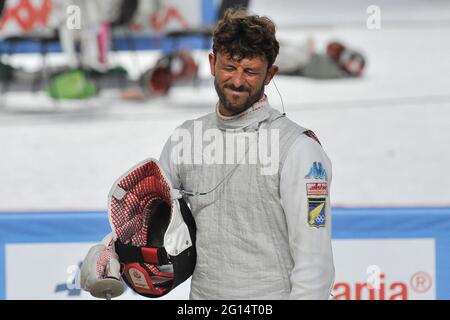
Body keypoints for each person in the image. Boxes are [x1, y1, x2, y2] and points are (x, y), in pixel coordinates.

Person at [157, 8, 335, 299]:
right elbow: (145, 213)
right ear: (212, 64)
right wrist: (109, 253)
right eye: (229, 67)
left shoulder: (299, 150)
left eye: (250, 71)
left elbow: (315, 263)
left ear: (270, 74)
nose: (238, 81)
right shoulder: (186, 139)